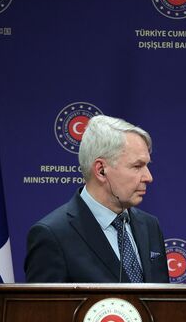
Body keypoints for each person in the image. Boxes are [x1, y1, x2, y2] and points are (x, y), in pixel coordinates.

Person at [25, 115, 169, 283]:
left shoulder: (150, 225)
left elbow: (162, 303)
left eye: (147, 166)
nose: (148, 177)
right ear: (101, 170)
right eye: (137, 166)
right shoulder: (53, 235)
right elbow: (44, 309)